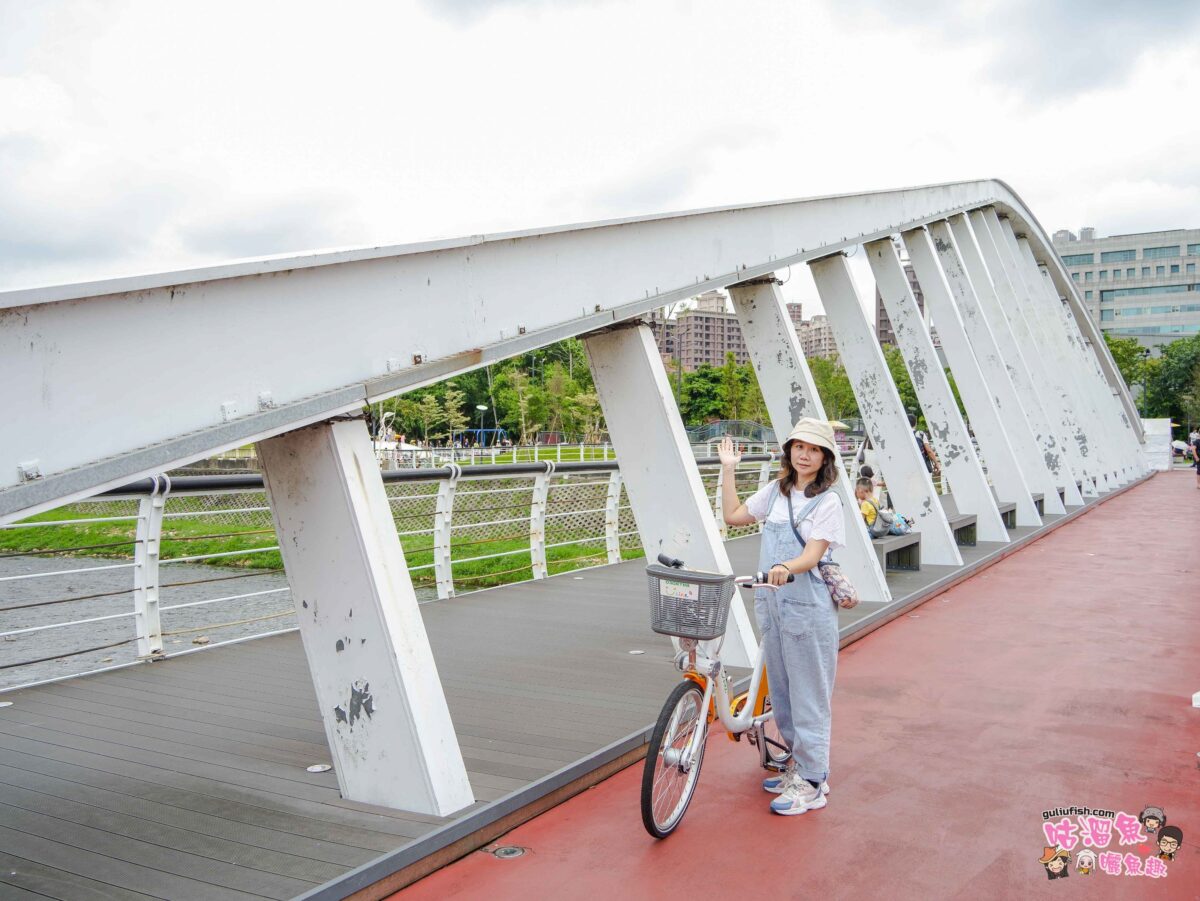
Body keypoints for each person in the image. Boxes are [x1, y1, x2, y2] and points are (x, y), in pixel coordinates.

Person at [719, 418, 844, 816]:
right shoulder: (776, 492)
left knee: (810, 697)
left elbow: (812, 555)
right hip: (774, 606)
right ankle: (798, 764)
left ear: (824, 457)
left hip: (806, 608)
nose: (804, 454)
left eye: (813, 449)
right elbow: (734, 516)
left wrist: (786, 566)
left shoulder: (828, 501)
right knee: (785, 697)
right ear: (789, 450)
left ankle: (813, 781)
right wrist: (727, 469)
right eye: (798, 446)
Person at [909, 412, 940, 476]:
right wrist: (936, 463)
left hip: (909, 467)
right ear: (915, 423)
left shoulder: (904, 436)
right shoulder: (920, 434)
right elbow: (929, 451)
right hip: (922, 466)